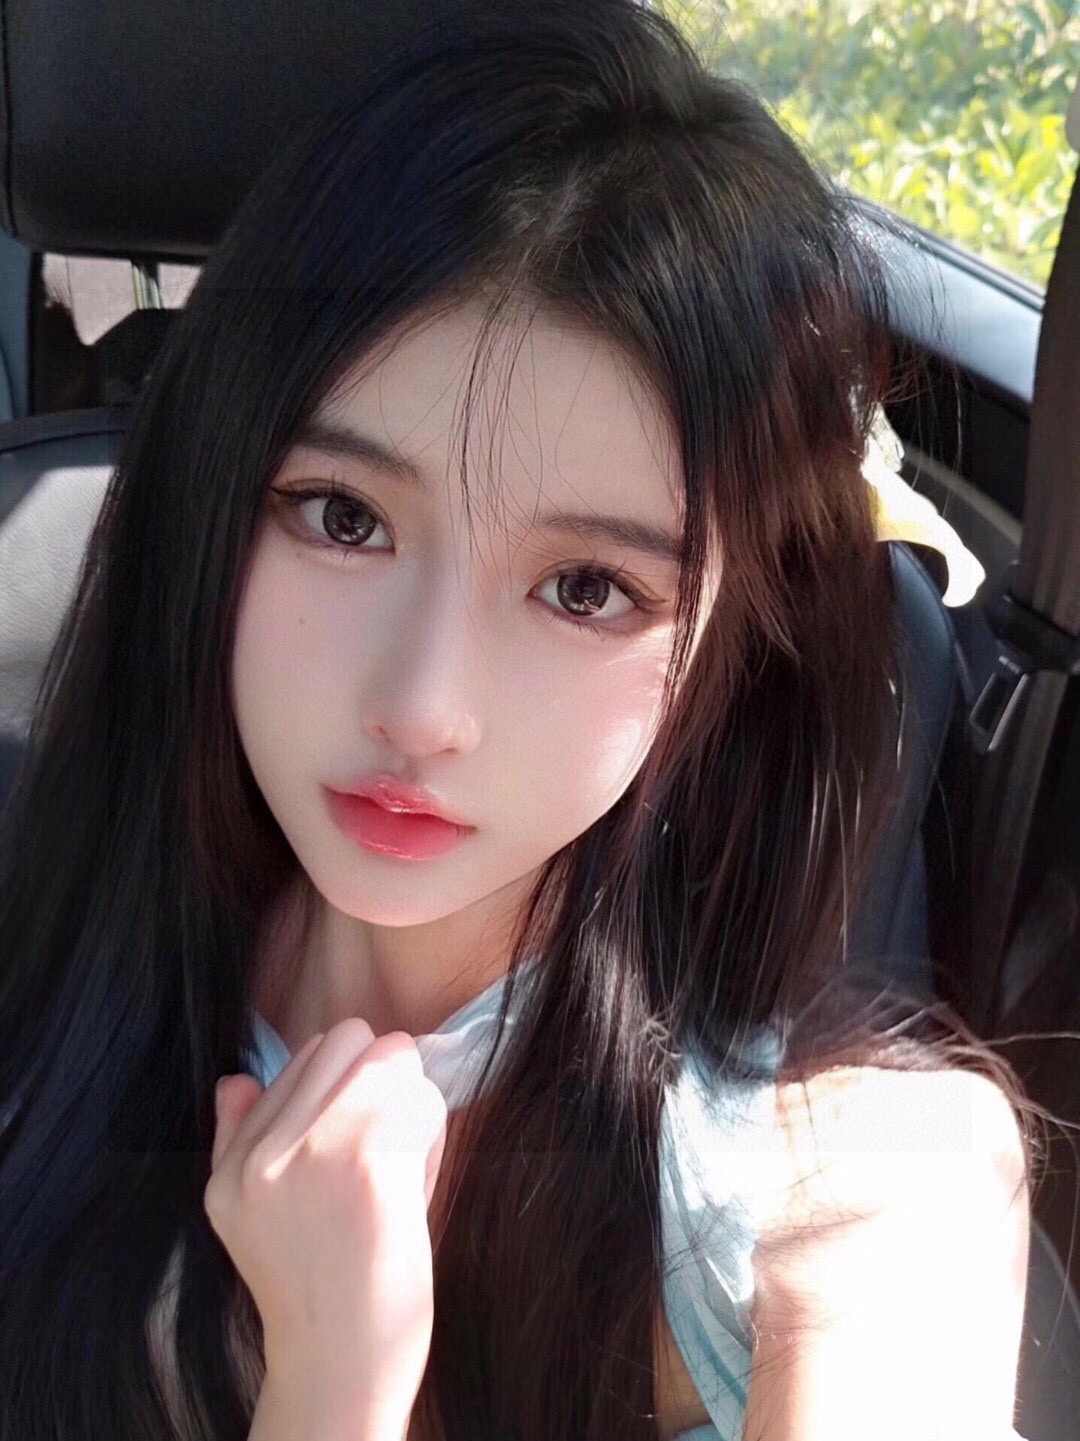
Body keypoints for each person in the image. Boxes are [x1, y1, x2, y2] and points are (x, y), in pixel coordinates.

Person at [0, 3, 1038, 1438]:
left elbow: (905, 1220)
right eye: (343, 517)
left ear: (724, 648)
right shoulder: (46, 1023)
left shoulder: (869, 1186)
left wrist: (340, 1388)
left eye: (587, 590)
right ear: (211, 503)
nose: (423, 707)